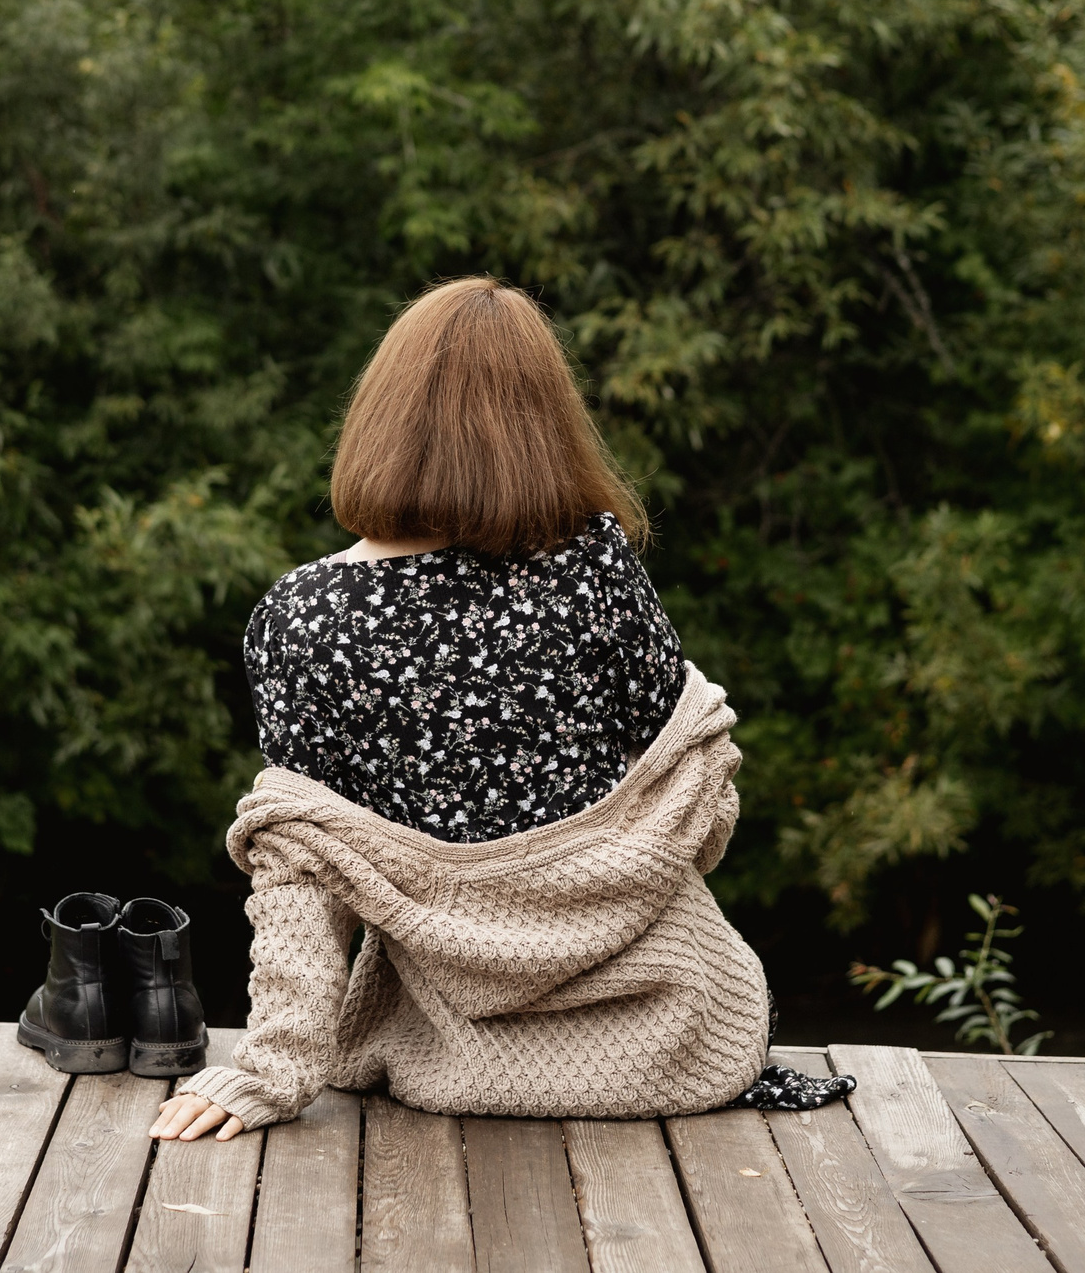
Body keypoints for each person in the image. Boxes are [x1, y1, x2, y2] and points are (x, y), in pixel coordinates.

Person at [149, 276, 848, 1142]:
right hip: (677, 1045)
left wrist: (270, 1072)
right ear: (547, 421)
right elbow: (702, 815)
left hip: (445, 1058)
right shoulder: (598, 572)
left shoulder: (303, 618)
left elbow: (303, 875)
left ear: (382, 418)